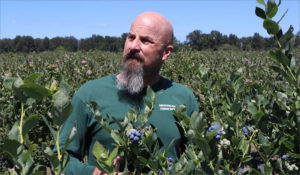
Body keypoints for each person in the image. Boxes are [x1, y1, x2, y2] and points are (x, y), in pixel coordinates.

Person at [58, 11, 199, 175]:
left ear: (166, 52)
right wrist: (93, 173)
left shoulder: (183, 98)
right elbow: (61, 158)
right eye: (131, 37)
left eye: (145, 40)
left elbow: (198, 159)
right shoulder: (90, 94)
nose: (133, 46)